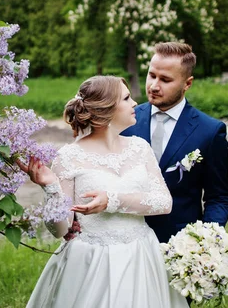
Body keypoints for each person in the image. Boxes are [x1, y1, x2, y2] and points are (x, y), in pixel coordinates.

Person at [18, 75, 188, 308]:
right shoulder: (68, 157)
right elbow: (60, 230)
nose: (134, 104)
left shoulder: (140, 148)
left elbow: (163, 202)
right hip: (90, 261)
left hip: (140, 255)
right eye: (126, 98)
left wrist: (111, 201)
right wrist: (50, 187)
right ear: (106, 108)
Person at [122, 42, 228, 243]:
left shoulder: (210, 131)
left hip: (178, 243)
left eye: (165, 80)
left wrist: (205, 241)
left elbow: (218, 198)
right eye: (152, 75)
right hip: (126, 239)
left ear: (187, 83)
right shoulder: (125, 120)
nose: (154, 86)